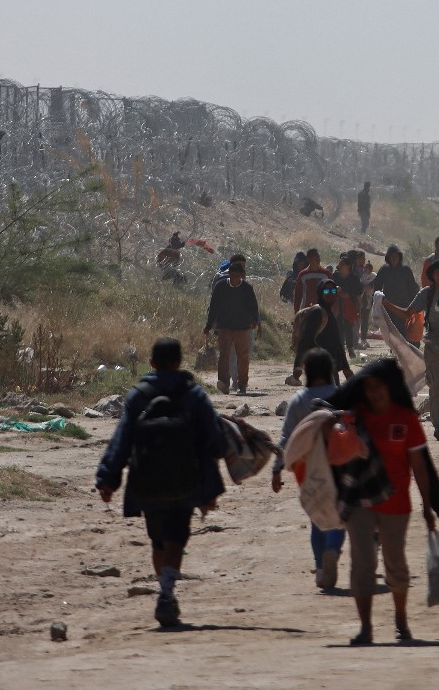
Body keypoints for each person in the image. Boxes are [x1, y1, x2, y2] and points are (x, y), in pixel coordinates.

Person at [95, 338, 226, 627]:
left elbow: (122, 440)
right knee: (177, 536)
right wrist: (212, 479)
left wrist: (108, 478)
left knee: (157, 538)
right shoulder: (194, 394)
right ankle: (166, 591)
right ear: (180, 363)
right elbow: (214, 439)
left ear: (151, 363)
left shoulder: (138, 395)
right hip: (185, 479)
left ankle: (163, 587)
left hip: (147, 481)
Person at [326, 360, 439, 645]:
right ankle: (365, 628)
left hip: (396, 503)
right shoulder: (353, 418)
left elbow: (420, 465)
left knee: (395, 565)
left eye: (379, 387)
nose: (374, 393)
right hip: (360, 503)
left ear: (389, 388)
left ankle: (401, 622)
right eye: (369, 388)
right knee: (362, 564)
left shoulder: (407, 419)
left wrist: (427, 506)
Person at [271, 348, 345, 589]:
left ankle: (321, 567)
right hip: (338, 464)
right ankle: (333, 549)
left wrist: (276, 468)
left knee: (317, 514)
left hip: (307, 467)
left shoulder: (299, 400)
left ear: (307, 371)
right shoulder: (341, 395)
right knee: (338, 515)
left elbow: (285, 438)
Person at [383, 259, 439, 440]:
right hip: (432, 347)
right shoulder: (427, 294)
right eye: (437, 272)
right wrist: (385, 304)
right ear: (432, 275)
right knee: (436, 387)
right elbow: (408, 313)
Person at [203, 263, 262, 395]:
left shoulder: (246, 288)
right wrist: (209, 325)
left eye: (238, 276)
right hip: (224, 327)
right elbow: (213, 307)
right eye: (233, 275)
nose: (235, 278)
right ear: (229, 274)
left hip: (242, 327)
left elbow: (254, 306)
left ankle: (242, 384)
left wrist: (256, 321)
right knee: (224, 355)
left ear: (241, 276)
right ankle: (223, 382)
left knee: (243, 357)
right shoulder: (220, 286)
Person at [290, 279, 355, 385]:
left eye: (333, 291)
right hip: (318, 365)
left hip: (330, 366)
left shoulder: (329, 313)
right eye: (326, 291)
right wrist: (297, 367)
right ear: (320, 293)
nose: (330, 294)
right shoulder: (316, 312)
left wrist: (346, 368)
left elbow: (337, 343)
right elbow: (305, 340)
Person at [373, 244, 418, 334]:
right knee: (391, 332)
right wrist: (377, 301)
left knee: (402, 331)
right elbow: (377, 287)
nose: (394, 258)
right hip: (388, 306)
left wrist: (414, 306)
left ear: (399, 257)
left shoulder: (406, 270)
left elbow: (413, 288)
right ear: (388, 258)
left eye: (396, 256)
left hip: (403, 307)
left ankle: (401, 348)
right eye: (392, 256)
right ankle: (393, 348)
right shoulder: (384, 269)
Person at [334, 255, 363, 358]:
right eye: (340, 263)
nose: (340, 265)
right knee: (339, 327)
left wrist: (349, 295)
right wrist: (336, 291)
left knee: (348, 326)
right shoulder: (335, 276)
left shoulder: (354, 277)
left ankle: (350, 348)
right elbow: (328, 289)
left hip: (350, 305)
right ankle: (341, 350)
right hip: (337, 304)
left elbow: (359, 291)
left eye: (342, 263)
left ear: (348, 266)